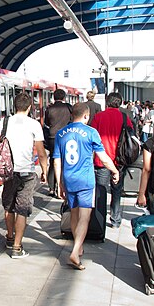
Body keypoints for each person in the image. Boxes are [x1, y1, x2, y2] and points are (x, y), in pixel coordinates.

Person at [54, 102, 119, 270]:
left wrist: (59, 182)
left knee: (74, 214)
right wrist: (114, 171)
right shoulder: (91, 132)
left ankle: (78, 245)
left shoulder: (61, 134)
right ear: (85, 116)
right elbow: (103, 157)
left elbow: (57, 160)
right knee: (85, 216)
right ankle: (75, 251)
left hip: (69, 179)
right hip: (85, 180)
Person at [0, 92, 48, 259]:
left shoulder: (5, 121)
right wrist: (44, 170)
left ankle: (9, 237)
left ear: (14, 106)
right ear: (29, 107)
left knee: (8, 206)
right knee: (22, 210)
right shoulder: (34, 124)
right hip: (27, 173)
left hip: (8, 172)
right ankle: (17, 247)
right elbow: (41, 153)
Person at [91, 91, 134, 229]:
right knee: (116, 191)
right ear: (120, 102)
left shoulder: (98, 116)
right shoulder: (124, 117)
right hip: (119, 160)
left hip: (101, 160)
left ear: (107, 102)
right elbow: (131, 135)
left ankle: (100, 219)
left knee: (101, 192)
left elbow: (92, 137)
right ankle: (115, 220)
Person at [43, 89, 73, 198]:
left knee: (53, 161)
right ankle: (63, 186)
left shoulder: (49, 109)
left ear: (54, 97)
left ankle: (51, 188)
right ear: (64, 97)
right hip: (65, 137)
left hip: (52, 138)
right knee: (64, 162)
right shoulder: (69, 108)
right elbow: (72, 121)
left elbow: (46, 123)